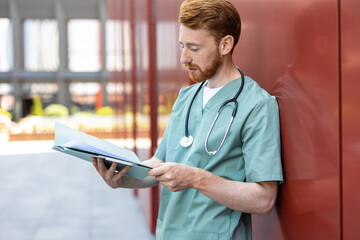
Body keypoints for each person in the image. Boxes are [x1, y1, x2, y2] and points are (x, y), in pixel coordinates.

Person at [92, 0, 283, 239]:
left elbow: (264, 199)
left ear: (225, 44)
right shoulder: (187, 96)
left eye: (194, 48)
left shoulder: (256, 105)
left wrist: (196, 178)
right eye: (182, 45)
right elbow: (159, 164)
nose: (183, 58)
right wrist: (122, 179)